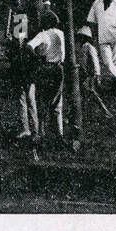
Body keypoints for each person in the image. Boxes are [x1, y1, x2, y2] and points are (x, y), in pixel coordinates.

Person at [28, 16, 68, 145]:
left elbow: (28, 46)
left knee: (43, 101)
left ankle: (42, 133)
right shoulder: (61, 33)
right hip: (59, 68)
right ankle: (59, 135)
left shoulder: (43, 34)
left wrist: (37, 57)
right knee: (57, 102)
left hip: (46, 68)